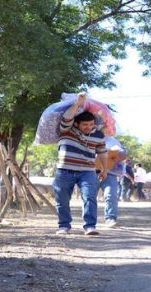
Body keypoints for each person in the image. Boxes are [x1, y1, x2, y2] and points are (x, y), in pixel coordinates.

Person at [53, 92, 108, 236]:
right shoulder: (67, 130)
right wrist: (77, 103)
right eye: (85, 124)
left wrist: (104, 169)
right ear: (77, 124)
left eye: (91, 124)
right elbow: (67, 117)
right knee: (62, 199)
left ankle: (90, 226)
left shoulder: (99, 135)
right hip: (64, 170)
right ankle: (64, 226)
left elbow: (102, 152)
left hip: (88, 171)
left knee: (90, 197)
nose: (88, 127)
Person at [99, 137, 127, 227]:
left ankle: (110, 218)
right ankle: (89, 221)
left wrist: (120, 154)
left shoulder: (114, 141)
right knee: (89, 197)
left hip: (110, 172)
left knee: (111, 194)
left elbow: (122, 155)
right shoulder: (87, 137)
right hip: (91, 172)